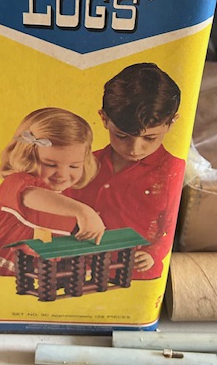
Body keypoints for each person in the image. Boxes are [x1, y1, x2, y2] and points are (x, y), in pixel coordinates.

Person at [67, 62, 185, 280]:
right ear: (104, 119)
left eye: (150, 138)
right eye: (122, 136)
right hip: (84, 273)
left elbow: (171, 225)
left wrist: (153, 253)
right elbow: (64, 212)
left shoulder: (172, 171)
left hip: (137, 275)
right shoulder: (83, 164)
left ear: (172, 123)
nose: (134, 149)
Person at [0, 107, 104, 276]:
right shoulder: (18, 182)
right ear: (28, 156)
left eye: (74, 166)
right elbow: (32, 196)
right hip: (9, 252)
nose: (62, 175)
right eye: (50, 164)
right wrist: (83, 212)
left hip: (46, 257)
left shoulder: (67, 196)